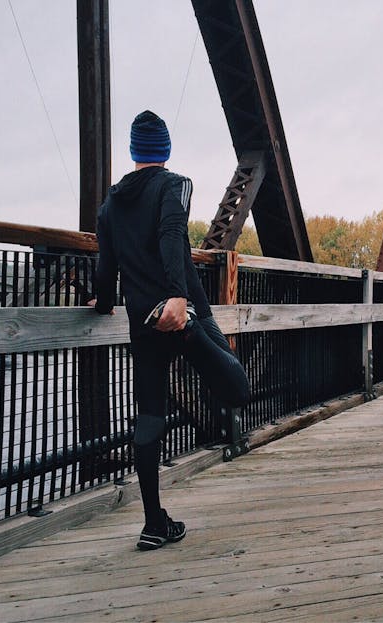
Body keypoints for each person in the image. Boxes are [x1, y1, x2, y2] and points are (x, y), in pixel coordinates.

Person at [90, 110, 250, 551]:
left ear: (133, 151)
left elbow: (106, 267)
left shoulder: (109, 205)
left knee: (150, 416)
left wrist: (102, 303)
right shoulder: (176, 185)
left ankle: (153, 523)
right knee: (236, 389)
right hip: (183, 313)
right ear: (164, 149)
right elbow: (170, 232)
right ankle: (191, 333)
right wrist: (180, 301)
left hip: (142, 323)